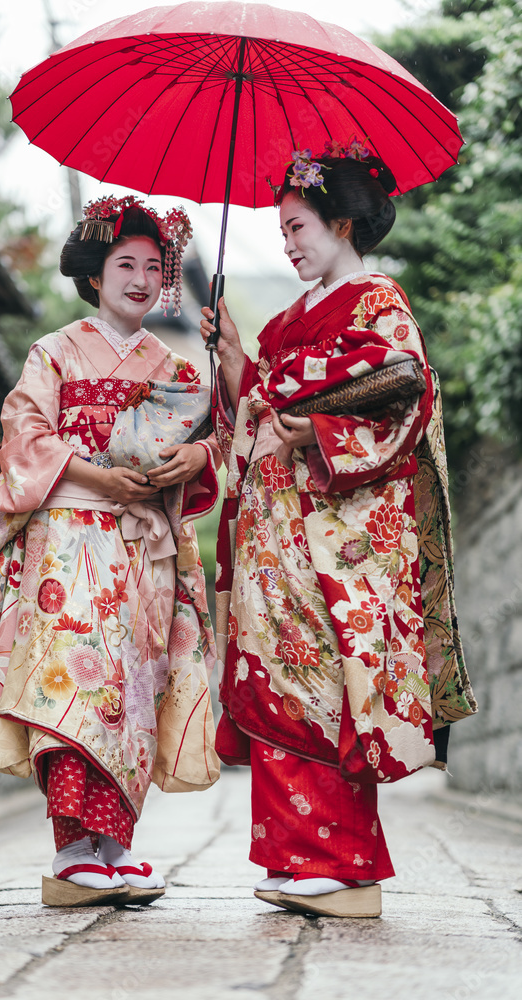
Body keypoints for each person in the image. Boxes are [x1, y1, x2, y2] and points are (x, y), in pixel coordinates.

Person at [200, 141, 476, 918]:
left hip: (340, 526)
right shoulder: (288, 317)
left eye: (297, 228)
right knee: (274, 677)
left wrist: (311, 429)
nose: (285, 244)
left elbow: (403, 386)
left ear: (344, 223)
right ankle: (297, 857)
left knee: (324, 677)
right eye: (280, 231)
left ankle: (345, 863)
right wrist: (230, 358)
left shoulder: (375, 299)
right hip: (276, 528)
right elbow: (260, 404)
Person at [0, 195, 220, 907]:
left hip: (143, 546)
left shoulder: (173, 362)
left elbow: (214, 438)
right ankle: (73, 847)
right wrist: (93, 473)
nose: (139, 278)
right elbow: (23, 433)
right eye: (123, 264)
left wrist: (197, 455)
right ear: (93, 275)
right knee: (76, 681)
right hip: (70, 536)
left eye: (151, 266)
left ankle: (114, 846)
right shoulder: (54, 350)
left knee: (134, 688)